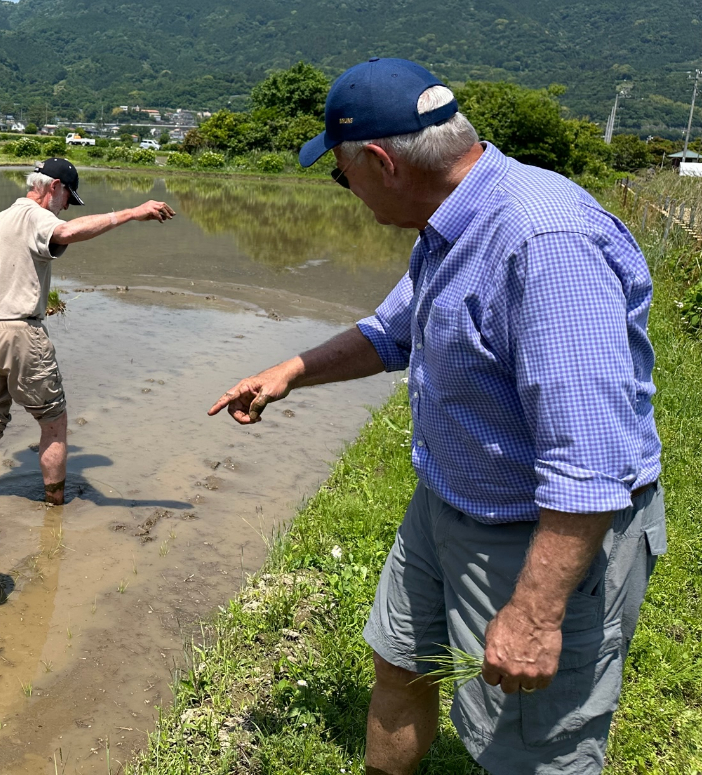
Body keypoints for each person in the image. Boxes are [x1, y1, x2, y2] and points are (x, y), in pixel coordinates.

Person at [210, 58, 665, 775]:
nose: (346, 193)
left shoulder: (544, 243)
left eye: (342, 177)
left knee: (534, 749)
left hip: (539, 530)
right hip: (449, 501)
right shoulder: (451, 223)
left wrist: (536, 611)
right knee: (401, 663)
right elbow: (392, 331)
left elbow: (589, 460)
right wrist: (289, 372)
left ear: (383, 162)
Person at [0, 157, 176, 506]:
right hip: (20, 334)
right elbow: (66, 232)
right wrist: (131, 213)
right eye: (68, 197)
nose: (66, 206)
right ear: (54, 187)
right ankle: (55, 510)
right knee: (54, 422)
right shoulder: (35, 216)